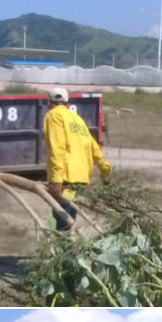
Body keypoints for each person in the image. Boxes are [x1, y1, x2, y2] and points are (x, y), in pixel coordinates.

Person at [43, 87, 111, 231]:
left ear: (48, 103)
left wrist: (55, 180)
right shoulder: (78, 120)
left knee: (62, 226)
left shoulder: (53, 115)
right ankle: (68, 252)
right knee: (69, 222)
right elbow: (94, 149)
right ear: (67, 104)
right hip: (81, 181)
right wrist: (105, 173)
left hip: (65, 180)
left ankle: (66, 253)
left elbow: (57, 148)